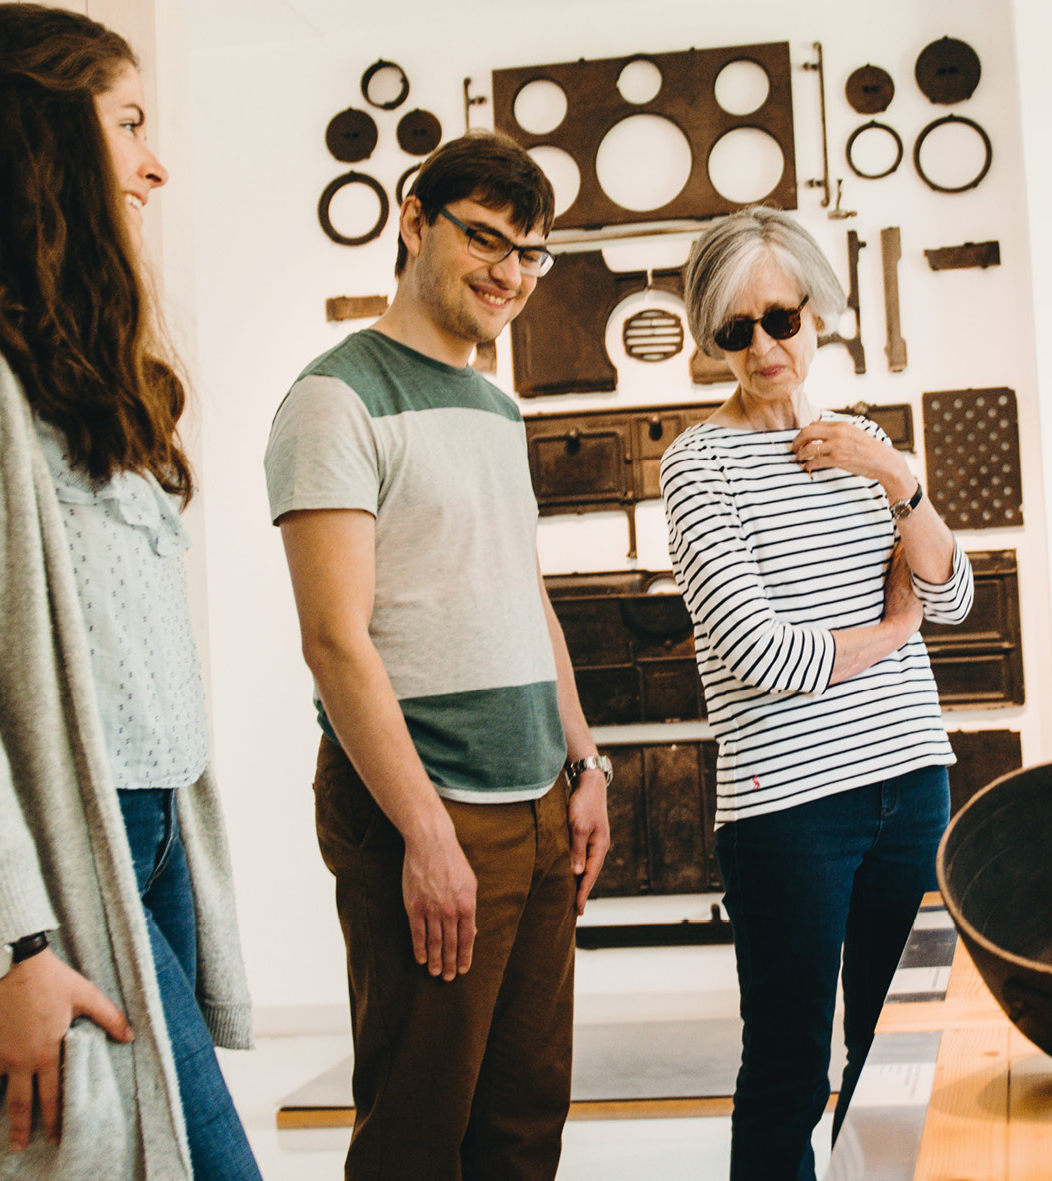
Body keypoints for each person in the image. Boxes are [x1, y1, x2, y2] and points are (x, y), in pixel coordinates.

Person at [0, 6, 258, 1179]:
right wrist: (8, 941)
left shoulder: (55, 349)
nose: (155, 162)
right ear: (36, 135)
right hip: (59, 850)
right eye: (129, 125)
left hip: (144, 829)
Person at [265, 130, 611, 1181]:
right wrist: (423, 830)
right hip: (428, 804)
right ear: (412, 223)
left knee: (522, 1123)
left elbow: (524, 593)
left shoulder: (497, 406)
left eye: (529, 253)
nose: (509, 272)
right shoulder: (334, 398)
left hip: (537, 801)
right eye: (485, 239)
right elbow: (332, 638)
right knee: (419, 1130)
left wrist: (582, 762)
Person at [659, 207, 973, 1180]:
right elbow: (761, 651)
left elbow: (953, 595)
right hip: (786, 810)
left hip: (910, 781)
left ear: (816, 313)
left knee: (902, 1056)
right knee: (790, 1070)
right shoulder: (695, 463)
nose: (762, 347)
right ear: (709, 335)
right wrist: (888, 628)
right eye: (733, 329)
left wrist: (891, 472)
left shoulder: (865, 444)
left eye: (780, 319)